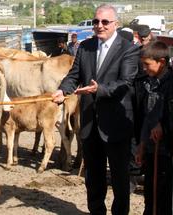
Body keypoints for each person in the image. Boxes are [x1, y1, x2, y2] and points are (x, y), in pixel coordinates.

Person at [52, 4, 140, 215]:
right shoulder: (85, 47)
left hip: (116, 125)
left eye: (105, 22)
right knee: (93, 179)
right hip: (90, 124)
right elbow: (74, 76)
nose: (99, 26)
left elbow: (126, 83)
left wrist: (99, 89)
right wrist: (63, 91)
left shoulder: (129, 49)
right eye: (95, 22)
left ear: (115, 24)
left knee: (120, 179)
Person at [135, 41, 173, 215]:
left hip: (167, 151)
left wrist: (163, 125)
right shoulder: (147, 83)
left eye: (147, 64)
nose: (144, 68)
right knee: (150, 194)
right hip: (152, 149)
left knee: (165, 197)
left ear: (162, 62)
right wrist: (142, 146)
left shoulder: (171, 84)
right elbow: (147, 118)